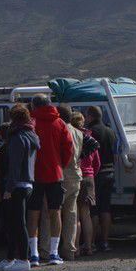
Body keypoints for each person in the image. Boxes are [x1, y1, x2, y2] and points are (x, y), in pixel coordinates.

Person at [28, 94, 72, 267]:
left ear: (34, 106)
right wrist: (61, 164)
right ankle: (54, 252)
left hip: (34, 174)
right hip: (55, 173)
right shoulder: (60, 123)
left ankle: (34, 254)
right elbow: (67, 148)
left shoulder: (32, 123)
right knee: (55, 212)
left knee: (33, 213)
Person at [0, 105, 38, 271]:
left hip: (16, 185)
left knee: (16, 223)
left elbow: (14, 166)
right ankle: (11, 257)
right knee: (17, 222)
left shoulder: (16, 138)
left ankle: (23, 258)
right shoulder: (32, 135)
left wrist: (8, 188)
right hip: (28, 183)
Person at [85, 105, 116, 252]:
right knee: (106, 208)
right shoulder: (110, 131)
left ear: (90, 116)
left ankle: (92, 243)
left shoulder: (91, 132)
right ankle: (105, 241)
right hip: (110, 172)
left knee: (94, 210)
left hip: (97, 173)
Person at [57, 104, 83, 262]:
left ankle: (47, 248)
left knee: (52, 213)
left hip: (61, 174)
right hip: (75, 175)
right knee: (71, 214)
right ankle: (69, 249)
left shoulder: (60, 130)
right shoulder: (79, 133)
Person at [73, 112, 100, 256]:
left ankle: (76, 247)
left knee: (75, 215)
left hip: (76, 176)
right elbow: (97, 162)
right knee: (87, 214)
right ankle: (89, 246)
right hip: (89, 176)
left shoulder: (72, 136)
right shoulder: (90, 137)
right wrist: (91, 174)